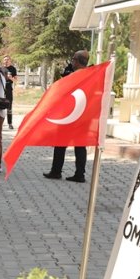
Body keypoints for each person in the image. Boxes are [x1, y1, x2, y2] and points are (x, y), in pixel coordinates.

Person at [44, 50, 90, 183]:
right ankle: (79, 174)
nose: (72, 61)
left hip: (71, 114)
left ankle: (56, 171)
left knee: (61, 142)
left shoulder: (75, 76)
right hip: (83, 115)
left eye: (74, 59)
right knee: (80, 146)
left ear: (78, 60)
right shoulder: (89, 75)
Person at [0, 55, 19, 130]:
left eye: (8, 59)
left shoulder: (13, 68)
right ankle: (0, 123)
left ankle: (10, 123)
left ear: (10, 61)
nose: (6, 61)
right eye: (5, 59)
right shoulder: (0, 69)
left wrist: (10, 78)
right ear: (3, 61)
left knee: (9, 106)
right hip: (1, 88)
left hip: (8, 88)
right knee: (0, 106)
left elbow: (16, 80)